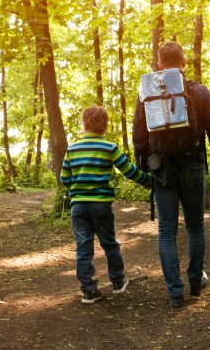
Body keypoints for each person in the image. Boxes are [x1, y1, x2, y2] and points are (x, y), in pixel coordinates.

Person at [132, 41, 210, 307]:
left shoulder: (146, 93)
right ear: (184, 62)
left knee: (166, 231)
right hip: (192, 166)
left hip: (162, 170)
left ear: (159, 64)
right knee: (195, 226)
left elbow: (139, 135)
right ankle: (195, 283)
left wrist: (145, 169)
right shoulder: (198, 91)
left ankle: (175, 293)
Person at [61, 105, 151, 304]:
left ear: (84, 124)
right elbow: (129, 170)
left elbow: (64, 177)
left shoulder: (72, 149)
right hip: (100, 206)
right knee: (109, 243)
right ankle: (118, 282)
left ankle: (88, 291)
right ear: (105, 125)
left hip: (78, 207)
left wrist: (76, 190)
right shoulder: (109, 148)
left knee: (83, 247)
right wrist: (149, 180)